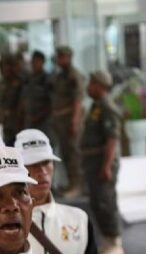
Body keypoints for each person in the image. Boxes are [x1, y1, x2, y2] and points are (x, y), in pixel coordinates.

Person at [81, 71, 124, 254]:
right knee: (97, 202)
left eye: (91, 83)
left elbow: (112, 139)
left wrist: (106, 166)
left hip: (102, 162)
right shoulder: (96, 106)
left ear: (100, 86)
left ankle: (115, 242)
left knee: (106, 201)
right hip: (94, 162)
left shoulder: (108, 107)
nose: (88, 87)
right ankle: (108, 239)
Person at [50, 46, 85, 198]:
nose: (59, 60)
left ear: (69, 57)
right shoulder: (60, 76)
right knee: (65, 153)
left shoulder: (74, 76)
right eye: (58, 57)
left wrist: (75, 121)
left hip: (69, 119)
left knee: (73, 154)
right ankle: (71, 183)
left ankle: (78, 185)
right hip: (60, 121)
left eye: (62, 57)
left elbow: (78, 99)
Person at [21, 50, 52, 137]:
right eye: (33, 61)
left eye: (36, 61)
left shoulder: (47, 79)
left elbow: (51, 102)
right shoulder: (28, 79)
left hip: (43, 121)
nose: (34, 64)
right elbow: (24, 98)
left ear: (42, 62)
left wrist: (39, 116)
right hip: (29, 120)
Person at [0, 53, 24, 146]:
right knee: (8, 146)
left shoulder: (19, 82)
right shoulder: (2, 83)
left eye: (3, 66)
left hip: (18, 122)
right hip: (7, 122)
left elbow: (22, 103)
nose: (0, 70)